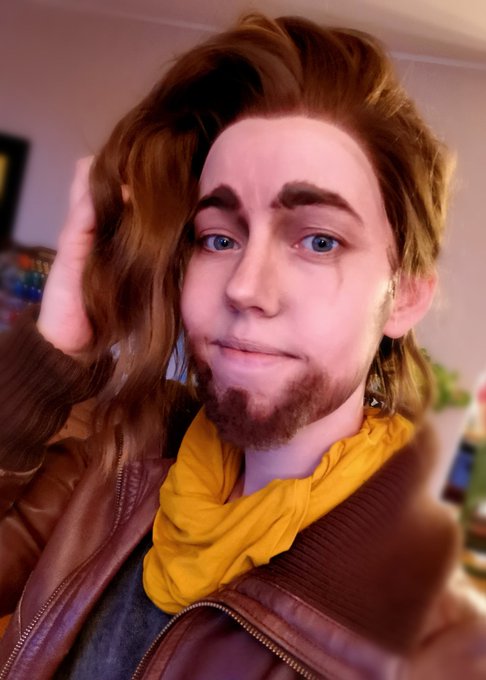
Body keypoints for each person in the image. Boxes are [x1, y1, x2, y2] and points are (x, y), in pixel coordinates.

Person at [0, 12, 485, 679]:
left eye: (319, 240)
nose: (246, 288)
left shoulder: (434, 636)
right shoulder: (117, 450)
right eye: (218, 238)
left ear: (404, 296)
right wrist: (56, 346)